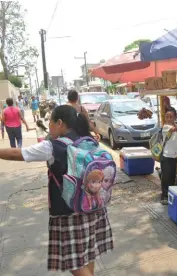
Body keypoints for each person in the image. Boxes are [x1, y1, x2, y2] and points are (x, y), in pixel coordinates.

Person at [0, 105, 113, 275]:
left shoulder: (53, 146)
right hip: (93, 207)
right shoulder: (87, 139)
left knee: (73, 263)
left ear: (60, 123)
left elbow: (18, 154)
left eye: (51, 123)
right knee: (88, 255)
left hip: (68, 213)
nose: (49, 126)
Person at [160, 107, 177, 205]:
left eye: (171, 117)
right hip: (166, 156)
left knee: (172, 177)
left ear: (175, 117)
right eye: (167, 116)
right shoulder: (166, 127)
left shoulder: (174, 125)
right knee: (166, 178)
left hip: (173, 156)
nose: (168, 119)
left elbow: (176, 141)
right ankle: (164, 196)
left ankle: (169, 197)